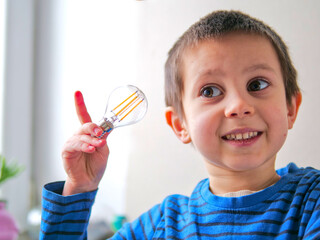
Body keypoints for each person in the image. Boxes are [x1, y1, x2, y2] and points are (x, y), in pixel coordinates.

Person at [40, 10, 320, 239]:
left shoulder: (312, 202)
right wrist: (78, 189)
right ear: (179, 125)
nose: (238, 106)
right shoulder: (161, 225)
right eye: (210, 91)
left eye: (256, 84)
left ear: (290, 108)